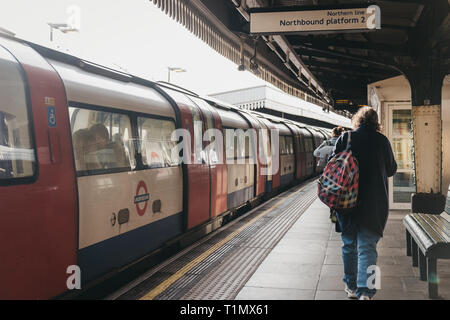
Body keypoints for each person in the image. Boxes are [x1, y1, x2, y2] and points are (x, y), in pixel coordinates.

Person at [330, 106, 397, 300]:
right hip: (375, 204)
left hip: (347, 202)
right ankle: (366, 292)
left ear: (357, 120)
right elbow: (391, 169)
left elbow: (333, 165)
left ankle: (351, 287)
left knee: (349, 245)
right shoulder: (382, 141)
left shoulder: (346, 138)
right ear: (377, 122)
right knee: (369, 248)